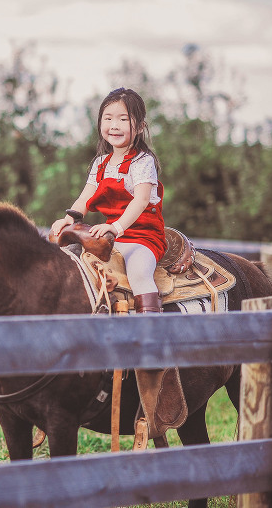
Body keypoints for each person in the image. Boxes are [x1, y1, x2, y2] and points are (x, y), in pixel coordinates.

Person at [49, 87, 184, 444]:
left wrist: (116, 226)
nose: (114, 125)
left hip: (141, 235)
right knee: (78, 271)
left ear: (137, 125)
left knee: (139, 271)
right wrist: (68, 219)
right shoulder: (101, 162)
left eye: (122, 118)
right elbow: (85, 197)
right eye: (108, 118)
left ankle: (150, 339)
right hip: (109, 236)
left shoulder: (143, 162)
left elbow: (140, 201)